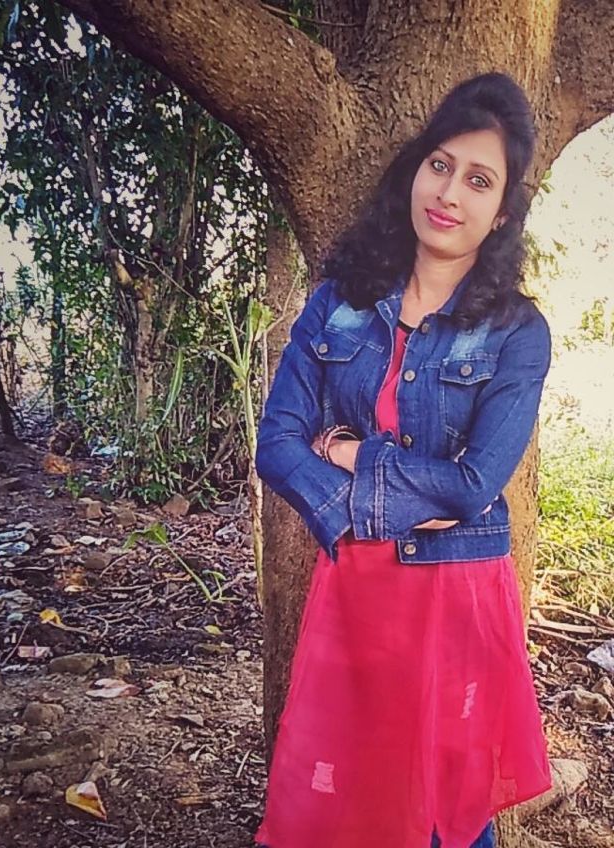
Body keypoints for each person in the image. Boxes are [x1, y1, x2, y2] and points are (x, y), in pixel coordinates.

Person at [254, 72, 552, 848]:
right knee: (346, 800)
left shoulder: (518, 334)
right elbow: (277, 444)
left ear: (502, 212)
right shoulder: (338, 302)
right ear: (416, 170)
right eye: (440, 165)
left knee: (449, 816)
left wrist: (348, 453)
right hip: (357, 589)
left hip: (458, 599)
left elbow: (474, 484)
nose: (450, 193)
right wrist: (363, 513)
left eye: (479, 180)